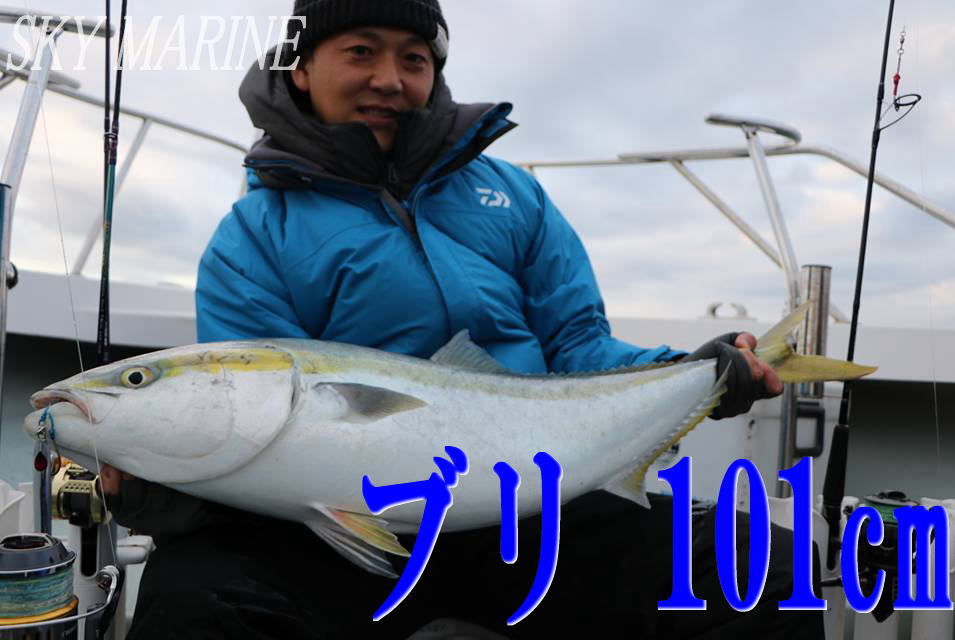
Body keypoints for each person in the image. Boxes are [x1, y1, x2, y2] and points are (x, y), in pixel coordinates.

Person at [100, 1, 822, 637]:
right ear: (301, 68)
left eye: (414, 59)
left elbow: (577, 344)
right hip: (329, 535)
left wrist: (690, 373)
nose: (390, 79)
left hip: (528, 511)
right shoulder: (256, 234)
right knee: (194, 602)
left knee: (759, 566)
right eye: (361, 51)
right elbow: (249, 415)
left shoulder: (514, 197)